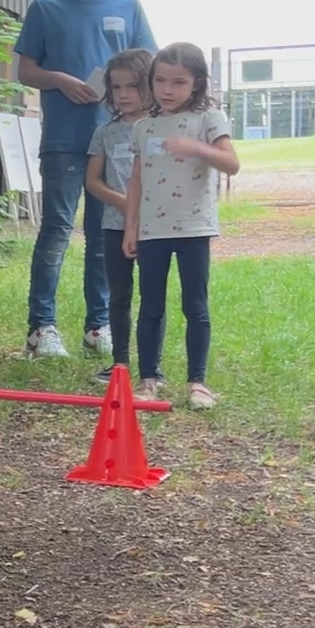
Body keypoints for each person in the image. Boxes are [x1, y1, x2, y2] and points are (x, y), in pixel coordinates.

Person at [15, 0, 157, 359]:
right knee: (56, 229)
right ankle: (42, 328)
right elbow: (25, 70)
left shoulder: (127, 5)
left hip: (116, 139)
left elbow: (146, 63)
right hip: (64, 136)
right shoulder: (45, 7)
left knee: (103, 235)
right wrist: (58, 79)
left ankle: (99, 325)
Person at [122, 42, 239, 409]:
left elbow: (231, 163)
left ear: (197, 83)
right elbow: (137, 180)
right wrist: (131, 228)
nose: (167, 90)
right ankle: (149, 377)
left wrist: (198, 148)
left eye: (178, 82)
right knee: (150, 305)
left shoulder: (209, 120)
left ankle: (198, 382)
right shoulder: (144, 127)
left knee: (195, 304)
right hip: (152, 230)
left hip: (193, 227)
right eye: (160, 81)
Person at [84, 48, 154, 385]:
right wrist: (124, 203)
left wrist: (145, 206)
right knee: (120, 294)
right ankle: (121, 364)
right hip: (114, 225)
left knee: (152, 297)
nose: (123, 95)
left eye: (132, 86)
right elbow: (92, 181)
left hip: (156, 226)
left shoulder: (161, 129)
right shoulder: (105, 133)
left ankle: (151, 370)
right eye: (116, 87)